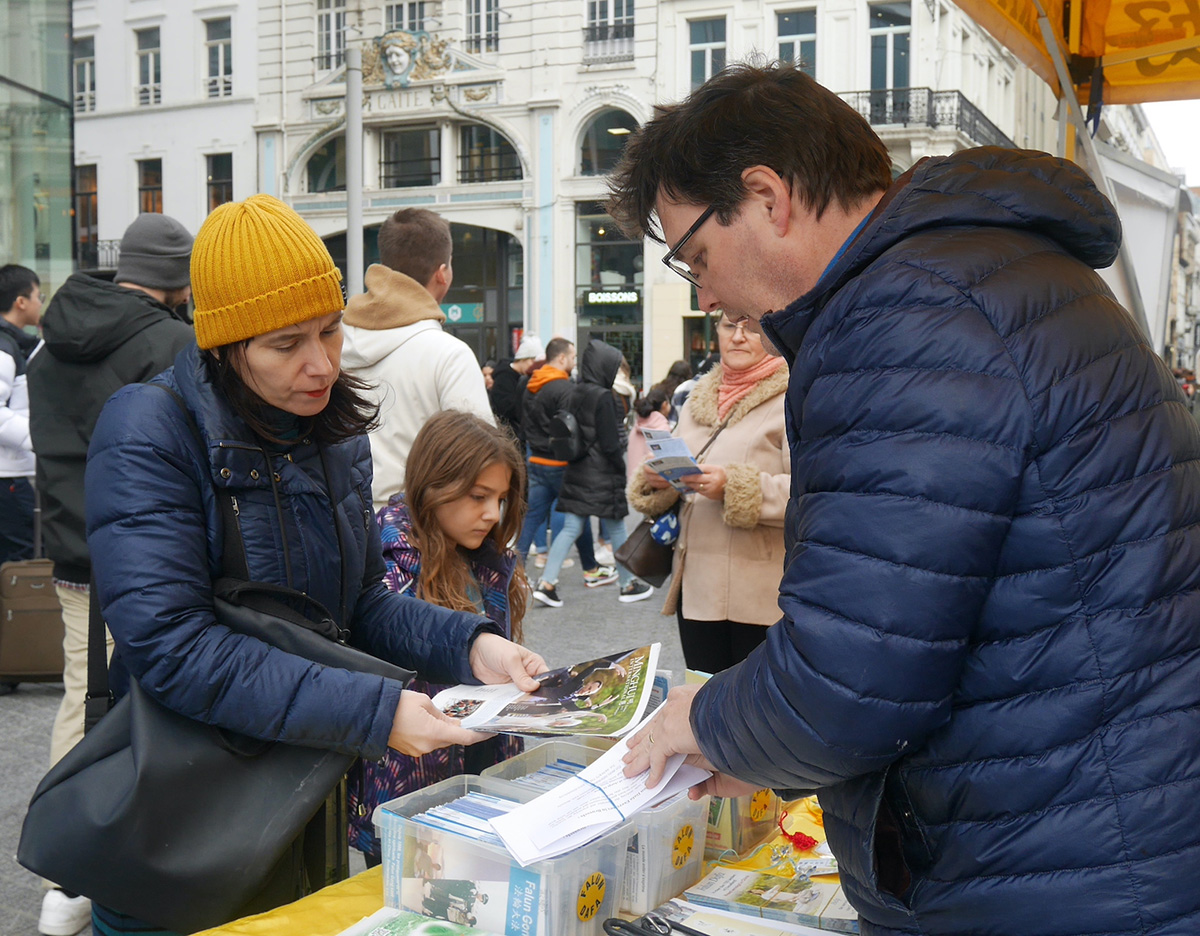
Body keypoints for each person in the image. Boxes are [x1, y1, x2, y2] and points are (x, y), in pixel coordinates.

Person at [612, 63, 1200, 936]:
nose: (705, 294)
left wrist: (705, 715)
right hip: (1107, 821)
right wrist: (762, 749)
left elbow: (849, 676)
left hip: (1049, 863)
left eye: (695, 254)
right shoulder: (995, 275)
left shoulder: (902, 319)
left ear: (768, 196)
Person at [83, 195, 544, 935]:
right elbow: (171, 647)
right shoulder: (149, 428)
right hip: (187, 815)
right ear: (226, 345)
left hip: (305, 797)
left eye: (331, 330)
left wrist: (470, 644)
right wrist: (375, 711)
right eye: (286, 343)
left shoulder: (332, 435)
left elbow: (359, 605)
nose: (322, 363)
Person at [28, 214, 195, 936]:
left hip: (72, 552)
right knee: (157, 696)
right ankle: (117, 861)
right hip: (150, 552)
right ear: (180, 278)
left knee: (82, 697)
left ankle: (70, 869)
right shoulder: (170, 343)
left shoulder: (48, 343)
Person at [347, 409, 528, 866]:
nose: (491, 513)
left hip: (484, 764)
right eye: (477, 495)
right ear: (432, 485)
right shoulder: (387, 563)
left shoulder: (489, 560)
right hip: (409, 785)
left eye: (501, 498)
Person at [628, 312, 790, 673]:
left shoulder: (791, 398)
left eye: (751, 328)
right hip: (697, 586)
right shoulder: (697, 397)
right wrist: (660, 478)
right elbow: (686, 469)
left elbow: (811, 491)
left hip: (759, 590)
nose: (738, 336)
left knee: (752, 711)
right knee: (703, 694)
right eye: (729, 326)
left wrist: (733, 486)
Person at [341, 208, 495, 509]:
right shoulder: (450, 355)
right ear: (443, 274)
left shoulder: (333, 342)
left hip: (346, 526)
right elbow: (481, 462)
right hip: (418, 532)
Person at [533, 339, 653, 607]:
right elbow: (610, 444)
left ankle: (547, 582)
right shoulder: (604, 397)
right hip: (602, 472)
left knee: (571, 527)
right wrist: (620, 467)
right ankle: (627, 584)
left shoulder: (575, 391)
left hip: (577, 469)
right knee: (616, 524)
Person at [516, 338, 615, 589]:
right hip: (559, 462)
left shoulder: (531, 384)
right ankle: (590, 569)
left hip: (535, 458)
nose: (574, 363)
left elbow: (524, 420)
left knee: (532, 517)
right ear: (561, 358)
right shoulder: (564, 388)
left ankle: (514, 573)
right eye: (572, 357)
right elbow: (571, 427)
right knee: (576, 513)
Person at [0, 265, 43, 565]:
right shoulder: (5, 347)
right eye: (38, 296)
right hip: (9, 478)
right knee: (18, 563)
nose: (42, 303)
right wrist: (39, 437)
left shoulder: (15, 344)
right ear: (21, 302)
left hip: (12, 476)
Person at [489, 334, 543, 442]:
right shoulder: (504, 378)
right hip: (508, 435)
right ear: (524, 359)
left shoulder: (521, 377)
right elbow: (504, 408)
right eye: (532, 362)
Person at [626, 385, 670, 483]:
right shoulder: (663, 429)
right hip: (651, 485)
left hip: (632, 484)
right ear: (665, 404)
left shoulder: (636, 427)